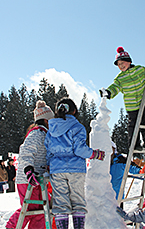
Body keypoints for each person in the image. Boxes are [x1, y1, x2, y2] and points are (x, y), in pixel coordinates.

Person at [44, 97, 105, 229]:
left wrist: (49, 165)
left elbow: (48, 150)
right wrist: (95, 154)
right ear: (74, 111)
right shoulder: (77, 127)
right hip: (76, 169)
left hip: (57, 170)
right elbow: (79, 149)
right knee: (78, 201)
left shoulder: (51, 129)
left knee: (60, 203)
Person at [100, 47, 145, 150]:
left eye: (123, 63)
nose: (121, 66)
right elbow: (115, 87)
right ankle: (135, 145)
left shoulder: (140, 70)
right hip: (131, 106)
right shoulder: (120, 78)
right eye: (119, 64)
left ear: (129, 61)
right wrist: (108, 92)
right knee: (133, 127)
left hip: (144, 102)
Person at [6, 100, 56, 229]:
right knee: (30, 209)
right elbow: (26, 153)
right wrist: (29, 170)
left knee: (40, 209)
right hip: (28, 179)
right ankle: (11, 227)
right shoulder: (37, 133)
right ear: (46, 121)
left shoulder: (45, 134)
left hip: (38, 180)